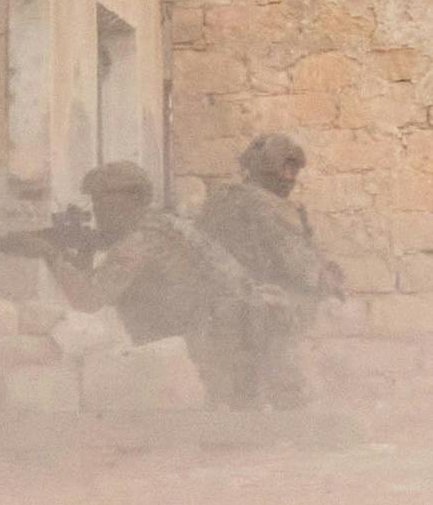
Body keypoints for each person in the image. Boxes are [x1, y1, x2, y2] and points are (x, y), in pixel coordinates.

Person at [38, 160, 261, 409]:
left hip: (200, 358)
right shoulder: (168, 226)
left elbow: (88, 299)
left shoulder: (142, 240)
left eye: (102, 201)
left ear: (133, 200)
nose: (96, 212)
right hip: (229, 348)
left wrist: (51, 256)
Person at [196, 132, 347, 410]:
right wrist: (326, 279)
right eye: (285, 168)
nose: (291, 177)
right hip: (264, 303)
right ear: (265, 168)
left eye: (294, 170)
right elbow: (296, 262)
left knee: (241, 386)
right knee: (287, 379)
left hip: (225, 305)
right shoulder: (265, 203)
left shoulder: (222, 198)